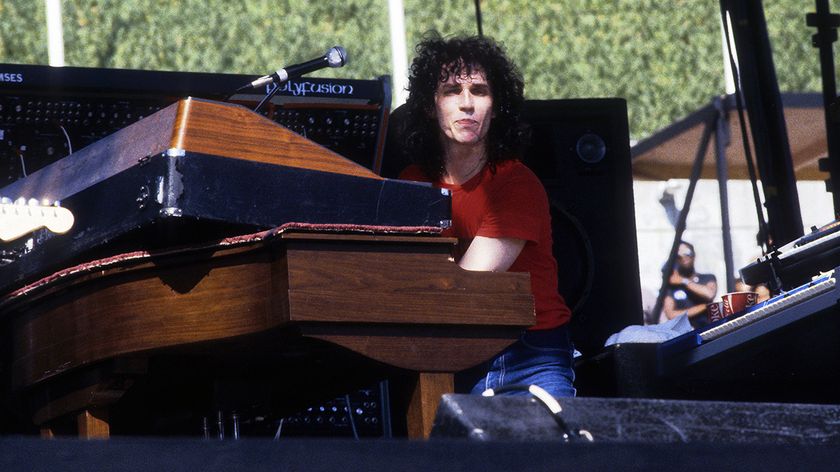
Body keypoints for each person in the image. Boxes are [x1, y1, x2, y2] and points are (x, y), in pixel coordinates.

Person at [397, 33, 575, 398]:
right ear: (430, 106)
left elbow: (467, 284)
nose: (467, 104)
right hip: (448, 355)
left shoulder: (515, 183)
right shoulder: (411, 183)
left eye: (479, 91)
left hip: (530, 355)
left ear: (495, 107)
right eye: (452, 91)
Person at [661, 241, 717, 328]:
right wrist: (703, 307)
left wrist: (684, 281)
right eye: (679, 256)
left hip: (708, 329)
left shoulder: (708, 278)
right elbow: (671, 315)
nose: (684, 258)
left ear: (693, 255)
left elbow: (709, 294)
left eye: (687, 253)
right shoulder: (671, 287)